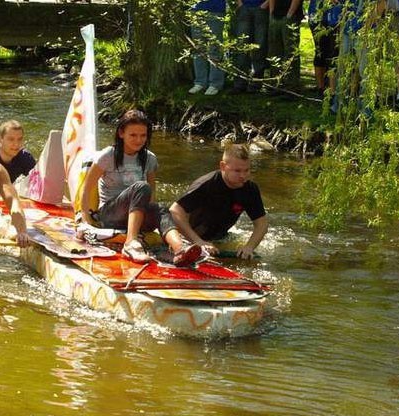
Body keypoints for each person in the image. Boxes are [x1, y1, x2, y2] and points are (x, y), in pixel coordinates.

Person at [79, 110, 201, 266]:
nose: (138, 140)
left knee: (160, 208)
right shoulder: (108, 155)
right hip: (110, 214)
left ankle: (180, 249)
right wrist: (85, 217)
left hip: (136, 215)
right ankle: (131, 243)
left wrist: (153, 217)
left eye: (143, 135)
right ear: (121, 133)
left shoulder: (149, 158)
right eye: (133, 135)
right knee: (141, 187)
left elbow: (152, 196)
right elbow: (86, 188)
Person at [169, 143, 268, 260]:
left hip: (220, 237)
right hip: (190, 236)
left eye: (246, 170)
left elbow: (261, 224)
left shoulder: (250, 189)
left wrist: (249, 247)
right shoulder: (207, 184)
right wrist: (198, 242)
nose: (243, 176)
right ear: (223, 166)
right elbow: (175, 210)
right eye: (237, 171)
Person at [188, 0, 226, 96]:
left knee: (215, 48)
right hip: (195, 10)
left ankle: (215, 84)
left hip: (215, 10)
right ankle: (200, 82)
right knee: (198, 49)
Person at [230, 0, 269, 94]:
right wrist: (239, 3)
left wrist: (265, 4)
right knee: (241, 47)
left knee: (259, 47)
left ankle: (255, 85)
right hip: (244, 8)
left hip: (262, 9)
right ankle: (239, 84)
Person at [0, 119, 36, 193]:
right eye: (11, 139)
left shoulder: (25, 158)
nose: (16, 144)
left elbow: (37, 183)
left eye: (20, 139)